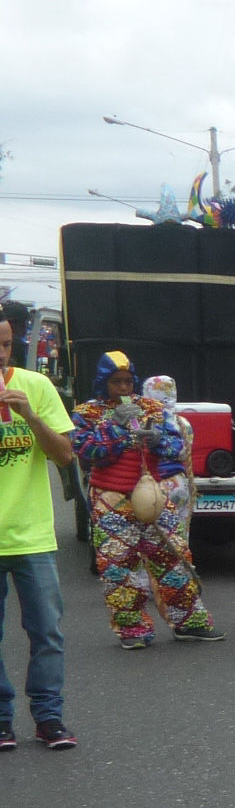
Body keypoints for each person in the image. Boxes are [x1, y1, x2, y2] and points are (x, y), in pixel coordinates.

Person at [68, 352, 219, 648]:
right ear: (103, 382)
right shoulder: (86, 414)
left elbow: (176, 446)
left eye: (127, 381)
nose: (124, 388)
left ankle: (189, 622)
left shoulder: (151, 408)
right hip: (110, 499)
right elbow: (86, 452)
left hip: (153, 495)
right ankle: (133, 630)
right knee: (118, 567)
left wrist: (157, 440)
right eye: (116, 382)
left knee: (174, 558)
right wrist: (115, 427)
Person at [0, 315, 78, 749]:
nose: (1, 355)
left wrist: (28, 414)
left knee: (47, 631)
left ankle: (49, 717)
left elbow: (65, 455)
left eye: (7, 345)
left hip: (32, 537)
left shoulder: (36, 386)